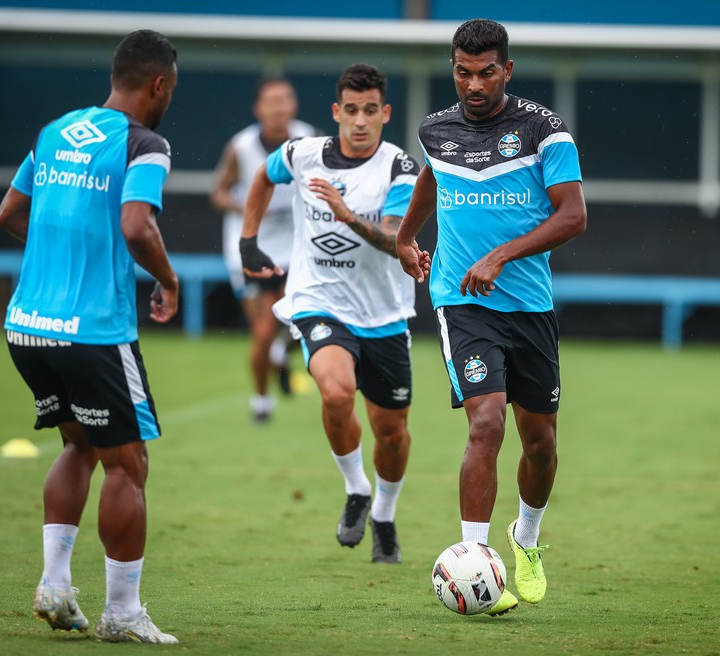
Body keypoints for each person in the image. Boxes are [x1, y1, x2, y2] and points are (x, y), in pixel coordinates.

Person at [396, 19, 586, 615]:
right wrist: (405, 237)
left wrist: (501, 255)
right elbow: (432, 179)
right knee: (485, 424)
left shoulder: (545, 131)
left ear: (506, 70)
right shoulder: (436, 130)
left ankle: (524, 539)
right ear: (452, 68)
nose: (472, 84)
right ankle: (477, 563)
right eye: (462, 72)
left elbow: (573, 216)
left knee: (541, 443)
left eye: (485, 72)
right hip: (462, 301)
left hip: (529, 305)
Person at [0, 30, 179, 644]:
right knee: (128, 465)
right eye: (171, 89)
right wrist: (167, 278)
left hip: (27, 326)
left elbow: (9, 215)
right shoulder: (145, 143)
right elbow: (136, 224)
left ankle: (54, 584)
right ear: (159, 84)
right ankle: (122, 613)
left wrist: (57, 257)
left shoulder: (53, 131)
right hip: (94, 332)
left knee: (77, 445)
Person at [240, 64, 419, 564]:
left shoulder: (400, 168)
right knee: (336, 392)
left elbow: (393, 240)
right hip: (320, 301)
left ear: (384, 114)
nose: (360, 122)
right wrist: (248, 242)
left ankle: (383, 513)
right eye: (351, 111)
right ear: (336, 112)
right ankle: (356, 487)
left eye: (370, 112)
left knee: (392, 431)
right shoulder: (303, 154)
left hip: (385, 314)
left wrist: (344, 215)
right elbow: (261, 177)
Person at [211, 78, 317, 422]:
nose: (279, 107)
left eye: (285, 100)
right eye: (271, 101)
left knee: (300, 320)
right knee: (263, 330)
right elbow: (219, 193)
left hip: (296, 247)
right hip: (252, 247)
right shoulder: (240, 147)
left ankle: (281, 353)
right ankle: (261, 399)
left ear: (294, 105)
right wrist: (251, 207)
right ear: (259, 109)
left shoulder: (307, 138)